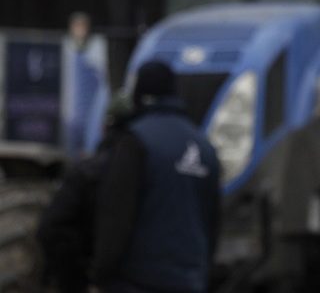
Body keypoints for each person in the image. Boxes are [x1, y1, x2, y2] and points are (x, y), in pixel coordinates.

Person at [92, 61, 221, 293]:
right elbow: (212, 221)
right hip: (190, 280)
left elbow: (116, 215)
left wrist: (100, 272)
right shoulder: (204, 147)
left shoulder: (135, 141)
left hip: (138, 280)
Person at [37, 98, 133, 292]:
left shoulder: (87, 171)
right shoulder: (149, 173)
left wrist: (75, 276)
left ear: (103, 128)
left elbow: (51, 228)